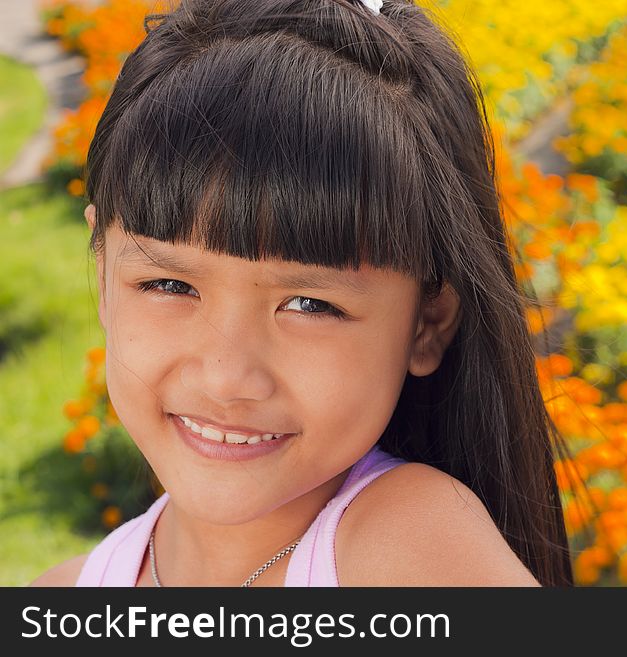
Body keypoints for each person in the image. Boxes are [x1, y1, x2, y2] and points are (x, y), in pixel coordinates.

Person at [30, 0, 574, 587]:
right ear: (106, 273)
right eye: (168, 284)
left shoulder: (403, 548)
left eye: (311, 305)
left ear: (427, 322)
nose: (226, 377)